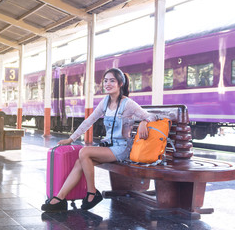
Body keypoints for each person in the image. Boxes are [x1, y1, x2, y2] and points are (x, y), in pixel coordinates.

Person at [41, 68, 157, 212]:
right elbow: (88, 121)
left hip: (122, 149)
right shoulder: (105, 102)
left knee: (84, 152)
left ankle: (92, 192)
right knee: (80, 162)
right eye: (106, 81)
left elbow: (151, 116)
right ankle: (60, 198)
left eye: (112, 81)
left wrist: (144, 122)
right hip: (109, 147)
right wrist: (71, 139)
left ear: (120, 83)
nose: (108, 84)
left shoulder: (128, 103)